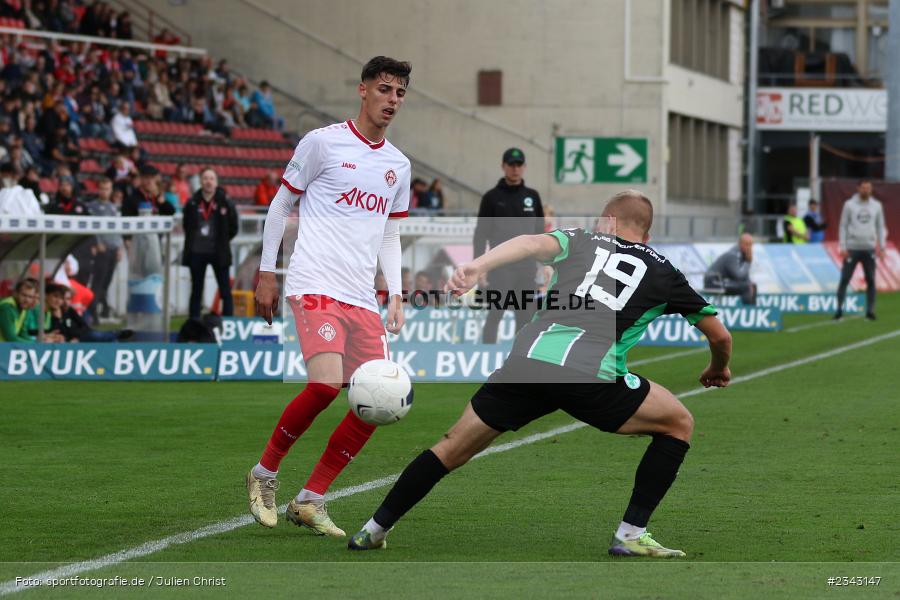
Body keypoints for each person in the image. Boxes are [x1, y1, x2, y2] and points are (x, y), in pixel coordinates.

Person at [348, 190, 732, 557]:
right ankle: (631, 535)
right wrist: (718, 368)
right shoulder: (665, 271)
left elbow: (530, 244)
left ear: (608, 221)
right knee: (678, 423)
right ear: (648, 234)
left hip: (526, 365)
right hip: (589, 377)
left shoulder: (581, 239)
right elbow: (719, 334)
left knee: (451, 447)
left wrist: (477, 265)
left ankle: (374, 529)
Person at [247, 56, 412, 536]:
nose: (392, 100)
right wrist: (266, 272)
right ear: (363, 90)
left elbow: (389, 235)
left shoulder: (397, 165)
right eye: (384, 90)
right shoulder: (322, 142)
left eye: (400, 93)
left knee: (377, 403)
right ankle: (264, 474)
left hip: (362, 297)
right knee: (323, 386)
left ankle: (312, 498)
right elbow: (281, 205)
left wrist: (396, 294)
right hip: (314, 282)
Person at [473, 147, 545, 343]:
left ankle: (518, 362)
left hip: (527, 266)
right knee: (496, 312)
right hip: (501, 266)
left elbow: (540, 233)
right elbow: (481, 234)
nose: (515, 169)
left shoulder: (532, 196)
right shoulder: (491, 198)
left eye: (519, 165)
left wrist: (546, 263)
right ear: (503, 166)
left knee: (525, 315)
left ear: (524, 167)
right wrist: (479, 266)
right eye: (511, 165)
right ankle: (486, 358)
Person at [182, 167, 238, 319]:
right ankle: (194, 324)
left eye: (211, 178)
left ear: (216, 182)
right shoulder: (193, 202)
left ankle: (228, 324)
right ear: (200, 181)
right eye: (205, 178)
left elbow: (233, 227)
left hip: (218, 253)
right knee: (196, 290)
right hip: (197, 252)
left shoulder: (225, 202)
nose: (208, 182)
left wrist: (222, 242)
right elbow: (186, 225)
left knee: (225, 290)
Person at [835, 180, 887, 321]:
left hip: (869, 248)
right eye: (863, 188)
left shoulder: (877, 206)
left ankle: (870, 311)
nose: (866, 190)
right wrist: (843, 246)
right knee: (845, 279)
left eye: (868, 188)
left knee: (870, 280)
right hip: (852, 248)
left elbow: (880, 227)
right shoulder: (849, 205)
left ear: (871, 189)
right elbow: (843, 226)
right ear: (858, 188)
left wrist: (882, 247)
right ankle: (839, 310)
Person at [87, 177, 124, 319]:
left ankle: (103, 308)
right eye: (102, 188)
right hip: (102, 250)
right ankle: (93, 312)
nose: (104, 191)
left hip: (113, 248)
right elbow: (92, 227)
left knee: (106, 282)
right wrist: (96, 242)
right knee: (98, 281)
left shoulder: (113, 207)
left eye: (107, 189)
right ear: (98, 189)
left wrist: (120, 247)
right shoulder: (92, 207)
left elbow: (117, 228)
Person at [703, 233, 757, 305]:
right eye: (747, 244)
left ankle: (751, 310)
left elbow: (745, 277)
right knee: (747, 287)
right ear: (740, 244)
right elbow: (738, 276)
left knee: (751, 285)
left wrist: (750, 283)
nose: (749, 247)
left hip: (722, 281)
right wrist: (748, 262)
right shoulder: (732, 255)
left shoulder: (742, 255)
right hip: (713, 282)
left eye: (750, 245)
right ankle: (749, 311)